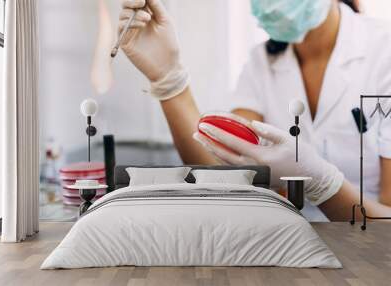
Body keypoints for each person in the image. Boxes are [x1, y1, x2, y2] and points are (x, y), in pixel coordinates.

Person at [118, 0, 391, 221]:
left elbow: (386, 225)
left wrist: (321, 182)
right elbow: (223, 172)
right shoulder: (261, 63)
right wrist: (168, 80)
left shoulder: (383, 51)